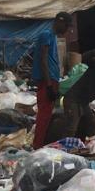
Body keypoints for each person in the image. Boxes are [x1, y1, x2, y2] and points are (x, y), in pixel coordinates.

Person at [31, 12, 71, 148]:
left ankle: (41, 144)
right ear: (60, 22)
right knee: (44, 116)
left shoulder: (52, 36)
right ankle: (37, 146)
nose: (66, 30)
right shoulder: (46, 35)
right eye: (66, 26)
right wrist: (49, 85)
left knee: (47, 115)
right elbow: (43, 60)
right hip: (47, 81)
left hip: (52, 80)